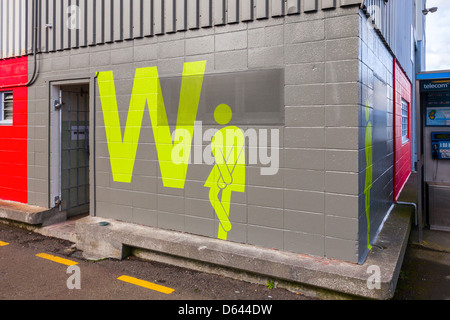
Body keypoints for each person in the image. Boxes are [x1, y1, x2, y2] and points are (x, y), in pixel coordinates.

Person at [205, 104, 245, 240]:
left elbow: (235, 154)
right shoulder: (220, 133)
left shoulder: (234, 133)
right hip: (222, 169)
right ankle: (225, 224)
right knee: (213, 194)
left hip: (229, 169)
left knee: (223, 197)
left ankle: (224, 231)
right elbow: (218, 155)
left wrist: (227, 175)